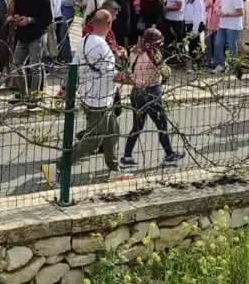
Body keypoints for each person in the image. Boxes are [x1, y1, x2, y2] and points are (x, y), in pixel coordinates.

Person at [42, 10, 122, 186]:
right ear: (108, 24)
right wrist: (135, 80)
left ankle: (114, 169)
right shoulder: (101, 46)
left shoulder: (84, 41)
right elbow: (113, 74)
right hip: (99, 100)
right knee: (92, 141)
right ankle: (57, 167)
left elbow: (74, 68)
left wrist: (66, 89)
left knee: (112, 132)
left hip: (91, 96)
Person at [121, 28, 184, 166]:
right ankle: (169, 154)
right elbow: (165, 71)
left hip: (136, 91)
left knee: (137, 125)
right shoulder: (154, 53)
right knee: (162, 124)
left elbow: (129, 68)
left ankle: (127, 155)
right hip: (153, 91)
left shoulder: (134, 51)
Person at [9, 0, 52, 102]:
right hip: (22, 34)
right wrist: (16, 17)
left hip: (37, 35)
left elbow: (48, 19)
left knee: (35, 67)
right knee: (17, 64)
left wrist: (30, 20)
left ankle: (34, 96)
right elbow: (16, 9)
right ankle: (23, 94)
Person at [214, 0, 245, 73]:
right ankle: (221, 65)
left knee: (232, 47)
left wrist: (227, 14)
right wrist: (219, 11)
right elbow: (223, 6)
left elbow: (240, 12)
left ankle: (234, 67)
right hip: (223, 24)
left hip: (233, 26)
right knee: (218, 44)